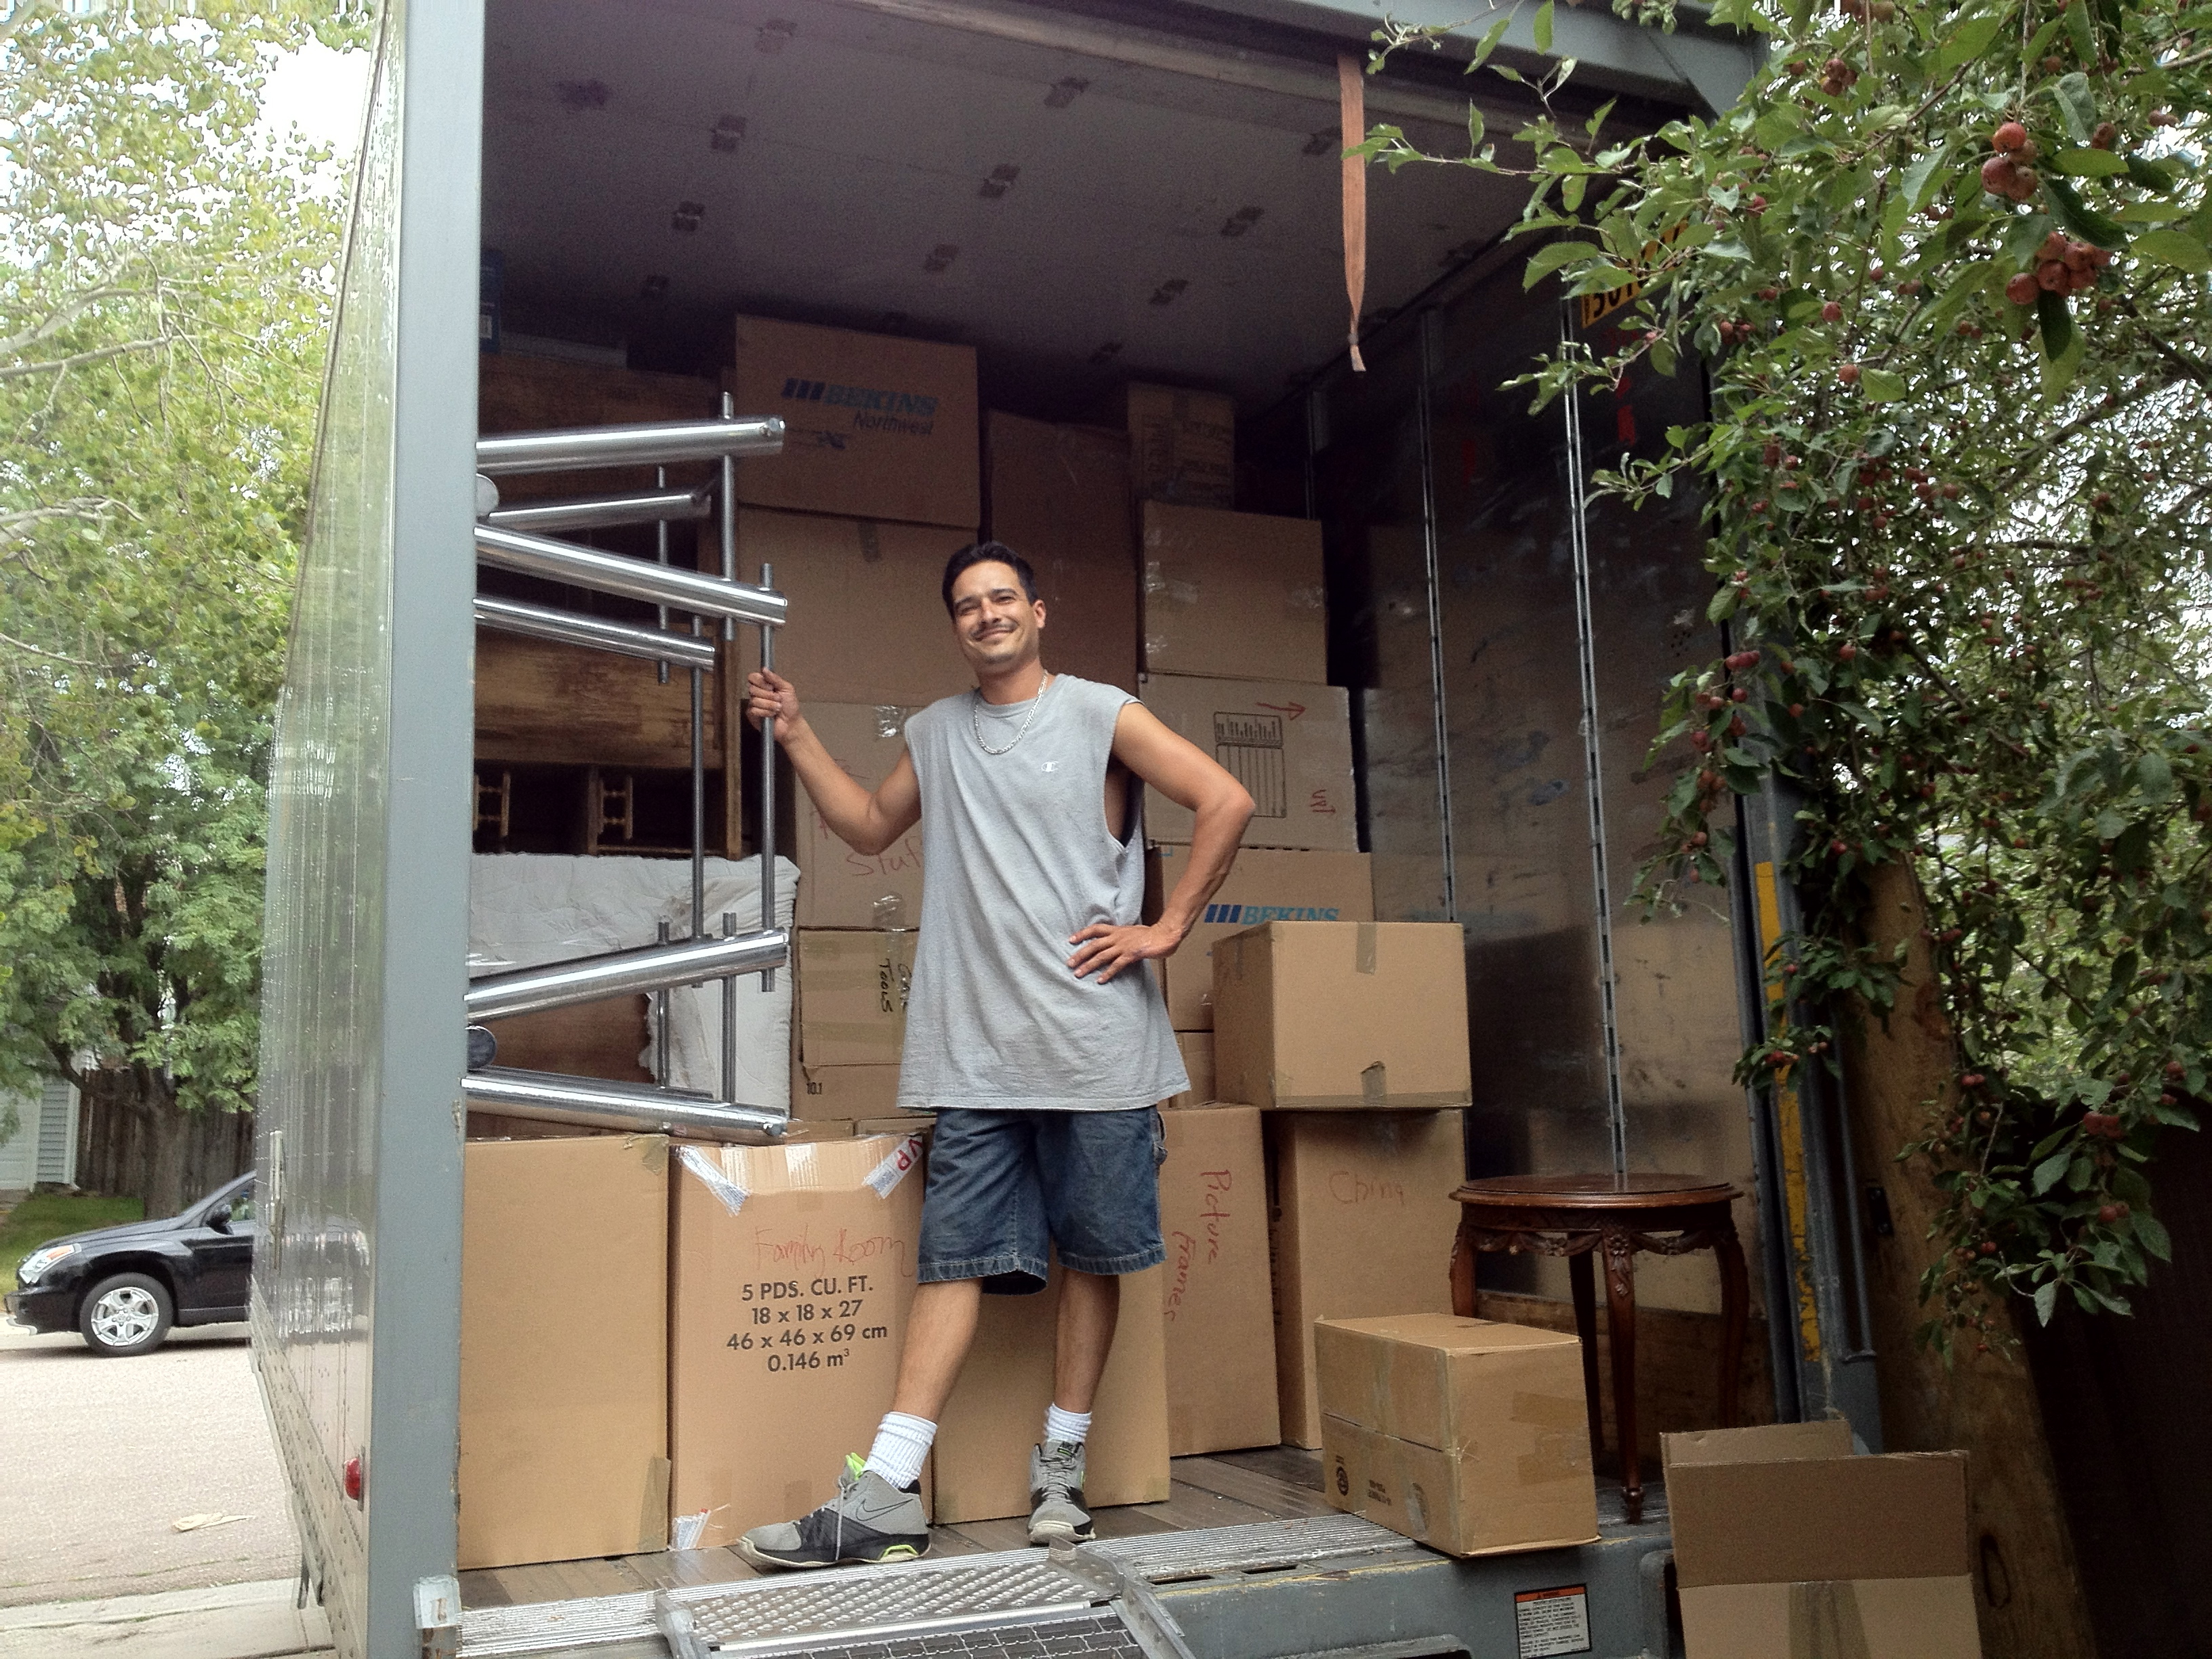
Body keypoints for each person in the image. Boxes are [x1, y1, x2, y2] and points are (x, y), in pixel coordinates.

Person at [734, 540, 1255, 1572]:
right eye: (968, 605)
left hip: (1094, 1050)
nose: (988, 615)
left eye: (1003, 597)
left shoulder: (1101, 713)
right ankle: (886, 1494)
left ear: (1038, 611)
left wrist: (1167, 928)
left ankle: (1061, 1468)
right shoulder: (936, 732)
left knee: (1094, 1257)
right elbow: (868, 827)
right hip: (973, 1054)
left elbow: (1226, 799)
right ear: (957, 626)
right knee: (956, 1258)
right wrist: (795, 732)